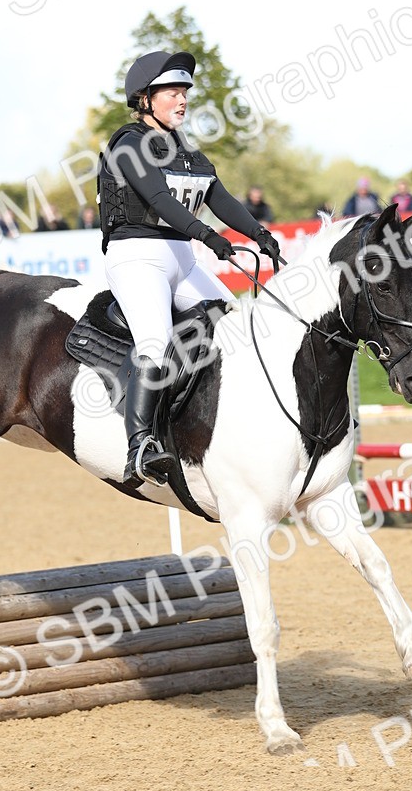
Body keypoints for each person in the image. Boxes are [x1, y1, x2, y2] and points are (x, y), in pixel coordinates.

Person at [99, 49, 281, 488]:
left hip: (182, 258)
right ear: (145, 98)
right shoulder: (128, 144)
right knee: (155, 341)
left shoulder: (186, 151)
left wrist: (259, 233)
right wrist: (208, 235)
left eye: (184, 92)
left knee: (236, 325)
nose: (182, 100)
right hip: (137, 257)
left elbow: (220, 198)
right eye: (172, 92)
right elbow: (159, 200)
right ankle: (140, 447)